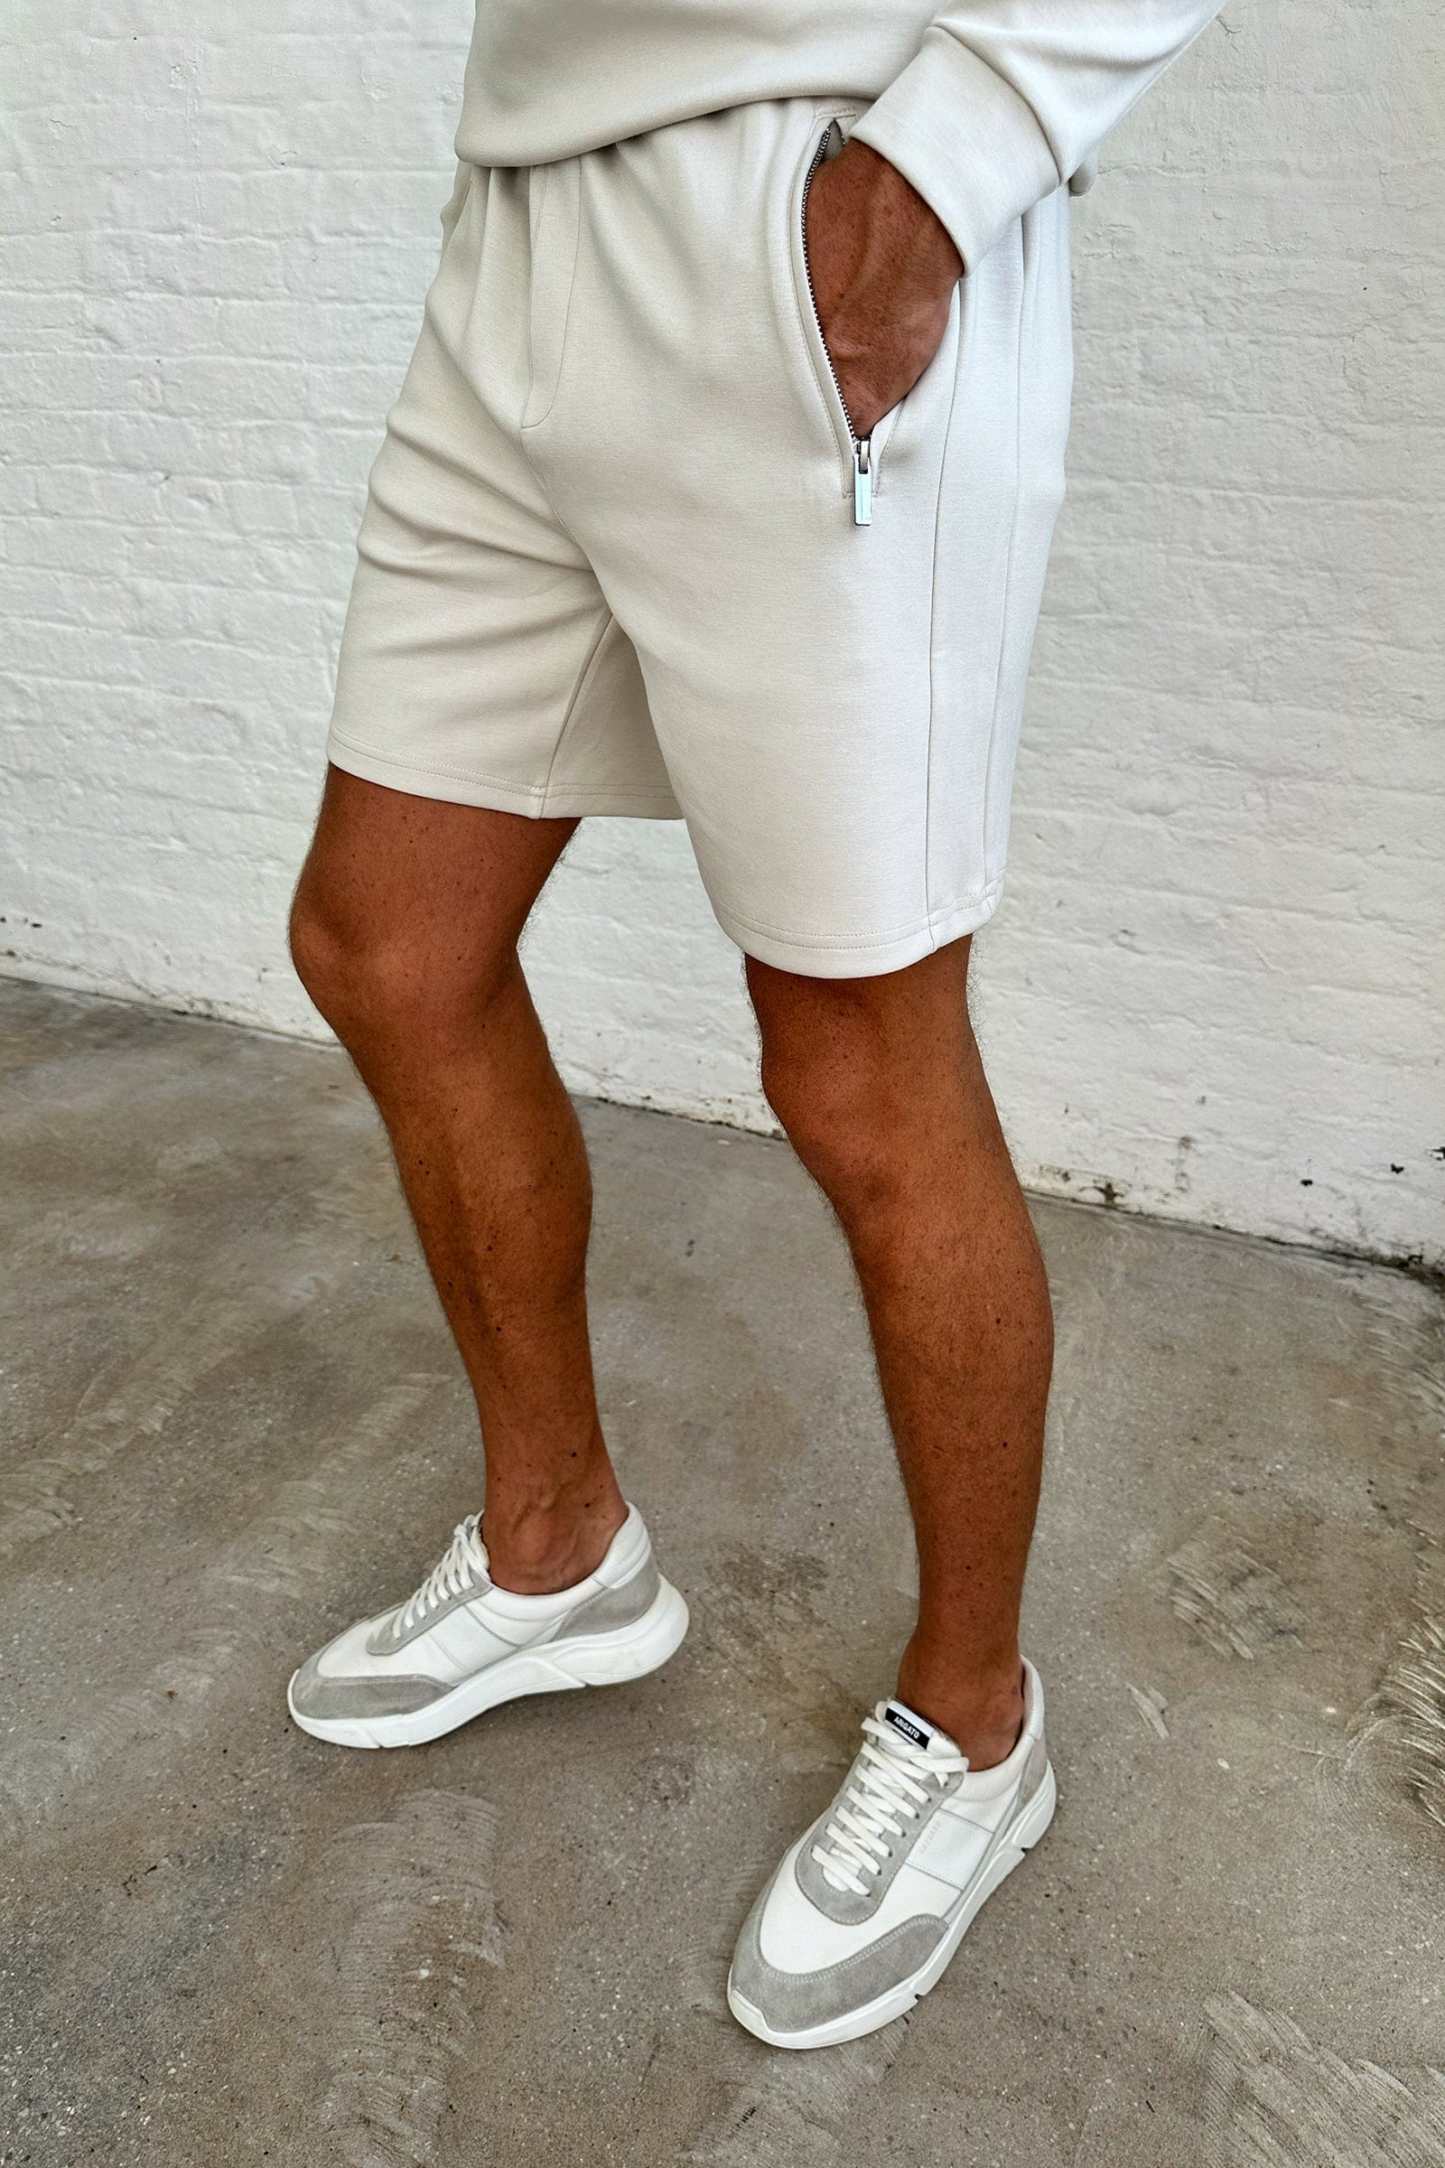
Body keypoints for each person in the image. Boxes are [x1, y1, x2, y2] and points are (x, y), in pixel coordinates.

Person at [286, 0, 1225, 2050]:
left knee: (860, 1069)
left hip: (804, 200)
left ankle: (977, 1724)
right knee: (385, 944)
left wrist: (945, 161)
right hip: (524, 205)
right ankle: (560, 1546)